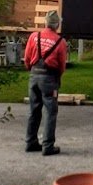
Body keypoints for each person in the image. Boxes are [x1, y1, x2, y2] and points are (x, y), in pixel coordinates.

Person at [24, 9, 67, 156]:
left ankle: (30, 142)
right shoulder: (60, 41)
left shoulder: (34, 36)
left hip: (34, 76)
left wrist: (32, 70)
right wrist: (56, 78)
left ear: (45, 22)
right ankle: (48, 146)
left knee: (34, 110)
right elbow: (62, 66)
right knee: (50, 111)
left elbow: (27, 58)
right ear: (57, 25)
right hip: (49, 78)